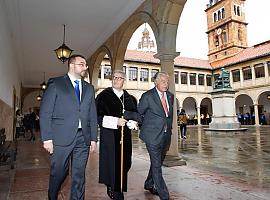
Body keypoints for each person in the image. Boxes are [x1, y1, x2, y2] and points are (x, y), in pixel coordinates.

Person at [39, 54, 97, 200]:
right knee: (59, 172)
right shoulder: (56, 83)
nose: (85, 67)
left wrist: (93, 138)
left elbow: (92, 114)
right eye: (82, 64)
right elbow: (45, 112)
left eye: (85, 64)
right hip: (60, 137)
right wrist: (47, 138)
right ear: (71, 65)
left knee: (79, 174)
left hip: (82, 137)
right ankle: (52, 196)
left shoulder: (89, 88)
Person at [96, 70, 139, 200]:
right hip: (109, 135)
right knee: (111, 162)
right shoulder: (103, 96)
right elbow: (96, 117)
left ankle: (116, 186)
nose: (116, 80)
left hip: (125, 136)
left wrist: (133, 123)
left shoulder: (130, 98)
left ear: (124, 81)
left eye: (119, 78)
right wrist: (115, 121)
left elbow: (134, 114)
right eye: (114, 77)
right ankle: (114, 189)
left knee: (125, 162)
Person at [137, 71, 174, 200]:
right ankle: (164, 195)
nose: (166, 84)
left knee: (156, 162)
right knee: (157, 165)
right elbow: (139, 113)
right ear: (156, 82)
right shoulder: (147, 96)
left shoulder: (170, 96)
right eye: (163, 81)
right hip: (152, 137)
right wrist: (145, 127)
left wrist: (169, 130)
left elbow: (168, 116)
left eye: (167, 82)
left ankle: (148, 183)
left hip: (165, 136)